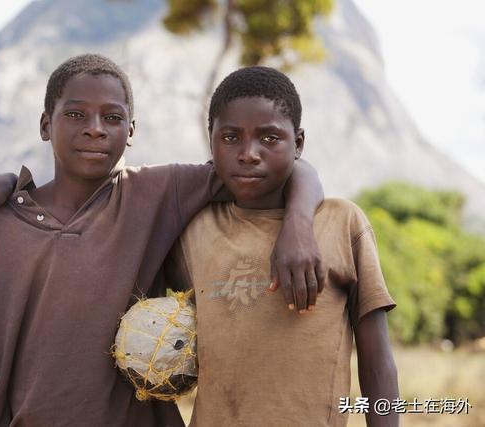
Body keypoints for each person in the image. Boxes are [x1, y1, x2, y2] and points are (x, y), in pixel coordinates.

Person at [0, 54, 324, 426]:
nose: (95, 128)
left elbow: (285, 165)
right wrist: (7, 182)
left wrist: (299, 225)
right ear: (46, 124)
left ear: (130, 131)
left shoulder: (157, 193)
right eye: (76, 114)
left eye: (112, 117)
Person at [165, 66, 399, 426]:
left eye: (270, 138)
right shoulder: (193, 231)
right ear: (210, 140)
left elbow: (378, 362)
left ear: (299, 143)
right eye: (230, 138)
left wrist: (298, 221)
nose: (248, 154)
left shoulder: (343, 222)